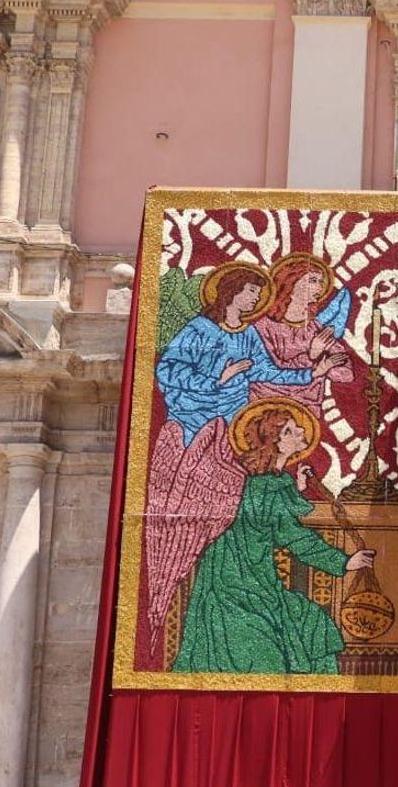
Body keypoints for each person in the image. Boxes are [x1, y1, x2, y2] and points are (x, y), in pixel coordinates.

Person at [142, 262, 341, 668]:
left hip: (234, 429)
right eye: (249, 292)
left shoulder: (249, 334)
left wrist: (313, 370)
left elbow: (268, 372)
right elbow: (167, 370)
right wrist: (218, 376)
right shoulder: (200, 330)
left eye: (258, 293)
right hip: (200, 427)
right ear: (230, 292)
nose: (255, 299)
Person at [173, 399, 375, 674]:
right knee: (269, 649)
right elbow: (293, 535)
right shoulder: (262, 487)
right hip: (237, 588)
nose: (301, 431)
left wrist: (296, 486)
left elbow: (273, 514)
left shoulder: (266, 482)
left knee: (312, 623)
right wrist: (344, 562)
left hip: (258, 582)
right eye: (290, 430)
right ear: (275, 442)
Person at [251, 252, 354, 414]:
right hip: (266, 407)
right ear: (290, 284)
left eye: (321, 282)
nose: (319, 287)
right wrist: (312, 357)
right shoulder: (263, 328)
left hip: (307, 410)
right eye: (312, 281)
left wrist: (322, 362)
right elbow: (268, 372)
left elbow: (346, 374)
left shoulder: (316, 329)